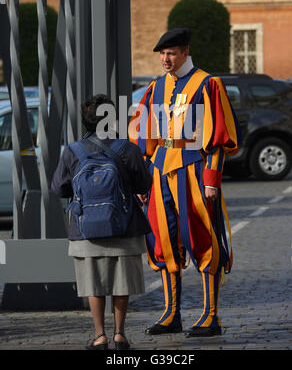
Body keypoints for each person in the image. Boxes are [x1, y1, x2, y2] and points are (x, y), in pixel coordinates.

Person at [129, 28, 241, 337]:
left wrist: (212, 180)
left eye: (172, 53)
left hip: (194, 169)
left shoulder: (207, 84)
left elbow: (217, 139)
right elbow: (144, 138)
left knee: (202, 238)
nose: (166, 59)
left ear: (185, 52)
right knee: (163, 241)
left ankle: (211, 315)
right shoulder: (155, 87)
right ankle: (171, 313)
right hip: (160, 170)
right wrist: (143, 180)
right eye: (163, 54)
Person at [51, 94, 152, 350]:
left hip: (86, 229)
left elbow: (58, 189)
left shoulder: (73, 151)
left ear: (85, 121)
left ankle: (100, 336)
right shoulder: (127, 149)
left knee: (93, 284)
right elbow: (143, 184)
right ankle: (119, 334)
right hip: (124, 226)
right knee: (122, 283)